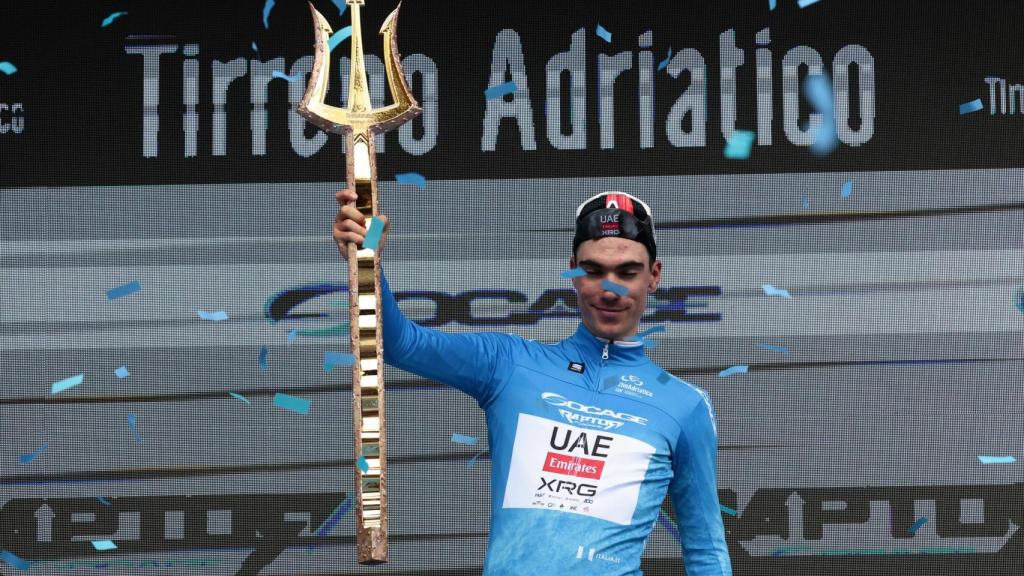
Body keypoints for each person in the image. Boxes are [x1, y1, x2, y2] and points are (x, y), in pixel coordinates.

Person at [333, 190, 732, 576]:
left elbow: (705, 548)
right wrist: (367, 255)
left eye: (627, 272)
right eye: (593, 271)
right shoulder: (509, 364)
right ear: (572, 269)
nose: (610, 290)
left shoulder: (684, 405)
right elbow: (400, 343)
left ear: (654, 276)